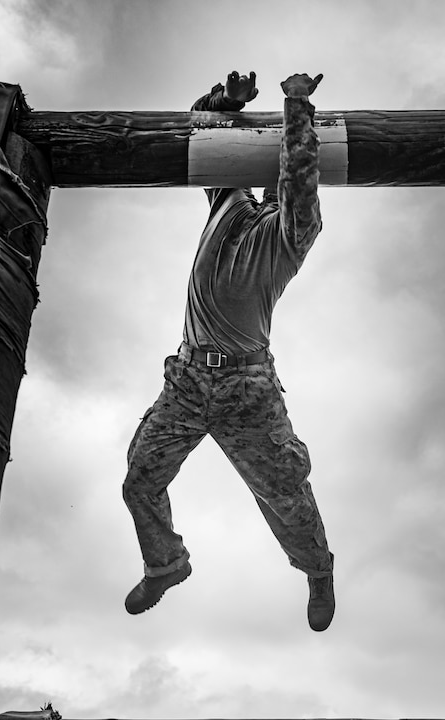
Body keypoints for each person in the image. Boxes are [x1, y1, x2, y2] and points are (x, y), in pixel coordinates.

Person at [121, 70, 335, 631]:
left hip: (247, 391)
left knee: (284, 490)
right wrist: (227, 102)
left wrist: (295, 104)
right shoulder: (228, 200)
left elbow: (301, 176)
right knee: (140, 480)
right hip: (188, 382)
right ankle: (165, 563)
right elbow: (202, 127)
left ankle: (317, 570)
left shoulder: (292, 236)